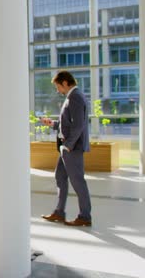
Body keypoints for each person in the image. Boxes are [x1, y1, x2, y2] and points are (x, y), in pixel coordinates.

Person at [40, 71, 92, 227]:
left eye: (58, 86)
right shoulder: (73, 96)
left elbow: (78, 126)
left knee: (78, 182)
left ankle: (85, 216)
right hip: (67, 147)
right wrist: (54, 124)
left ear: (64, 83)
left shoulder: (75, 97)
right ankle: (59, 212)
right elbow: (69, 123)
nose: (58, 90)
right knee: (60, 177)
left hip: (72, 148)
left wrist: (68, 146)